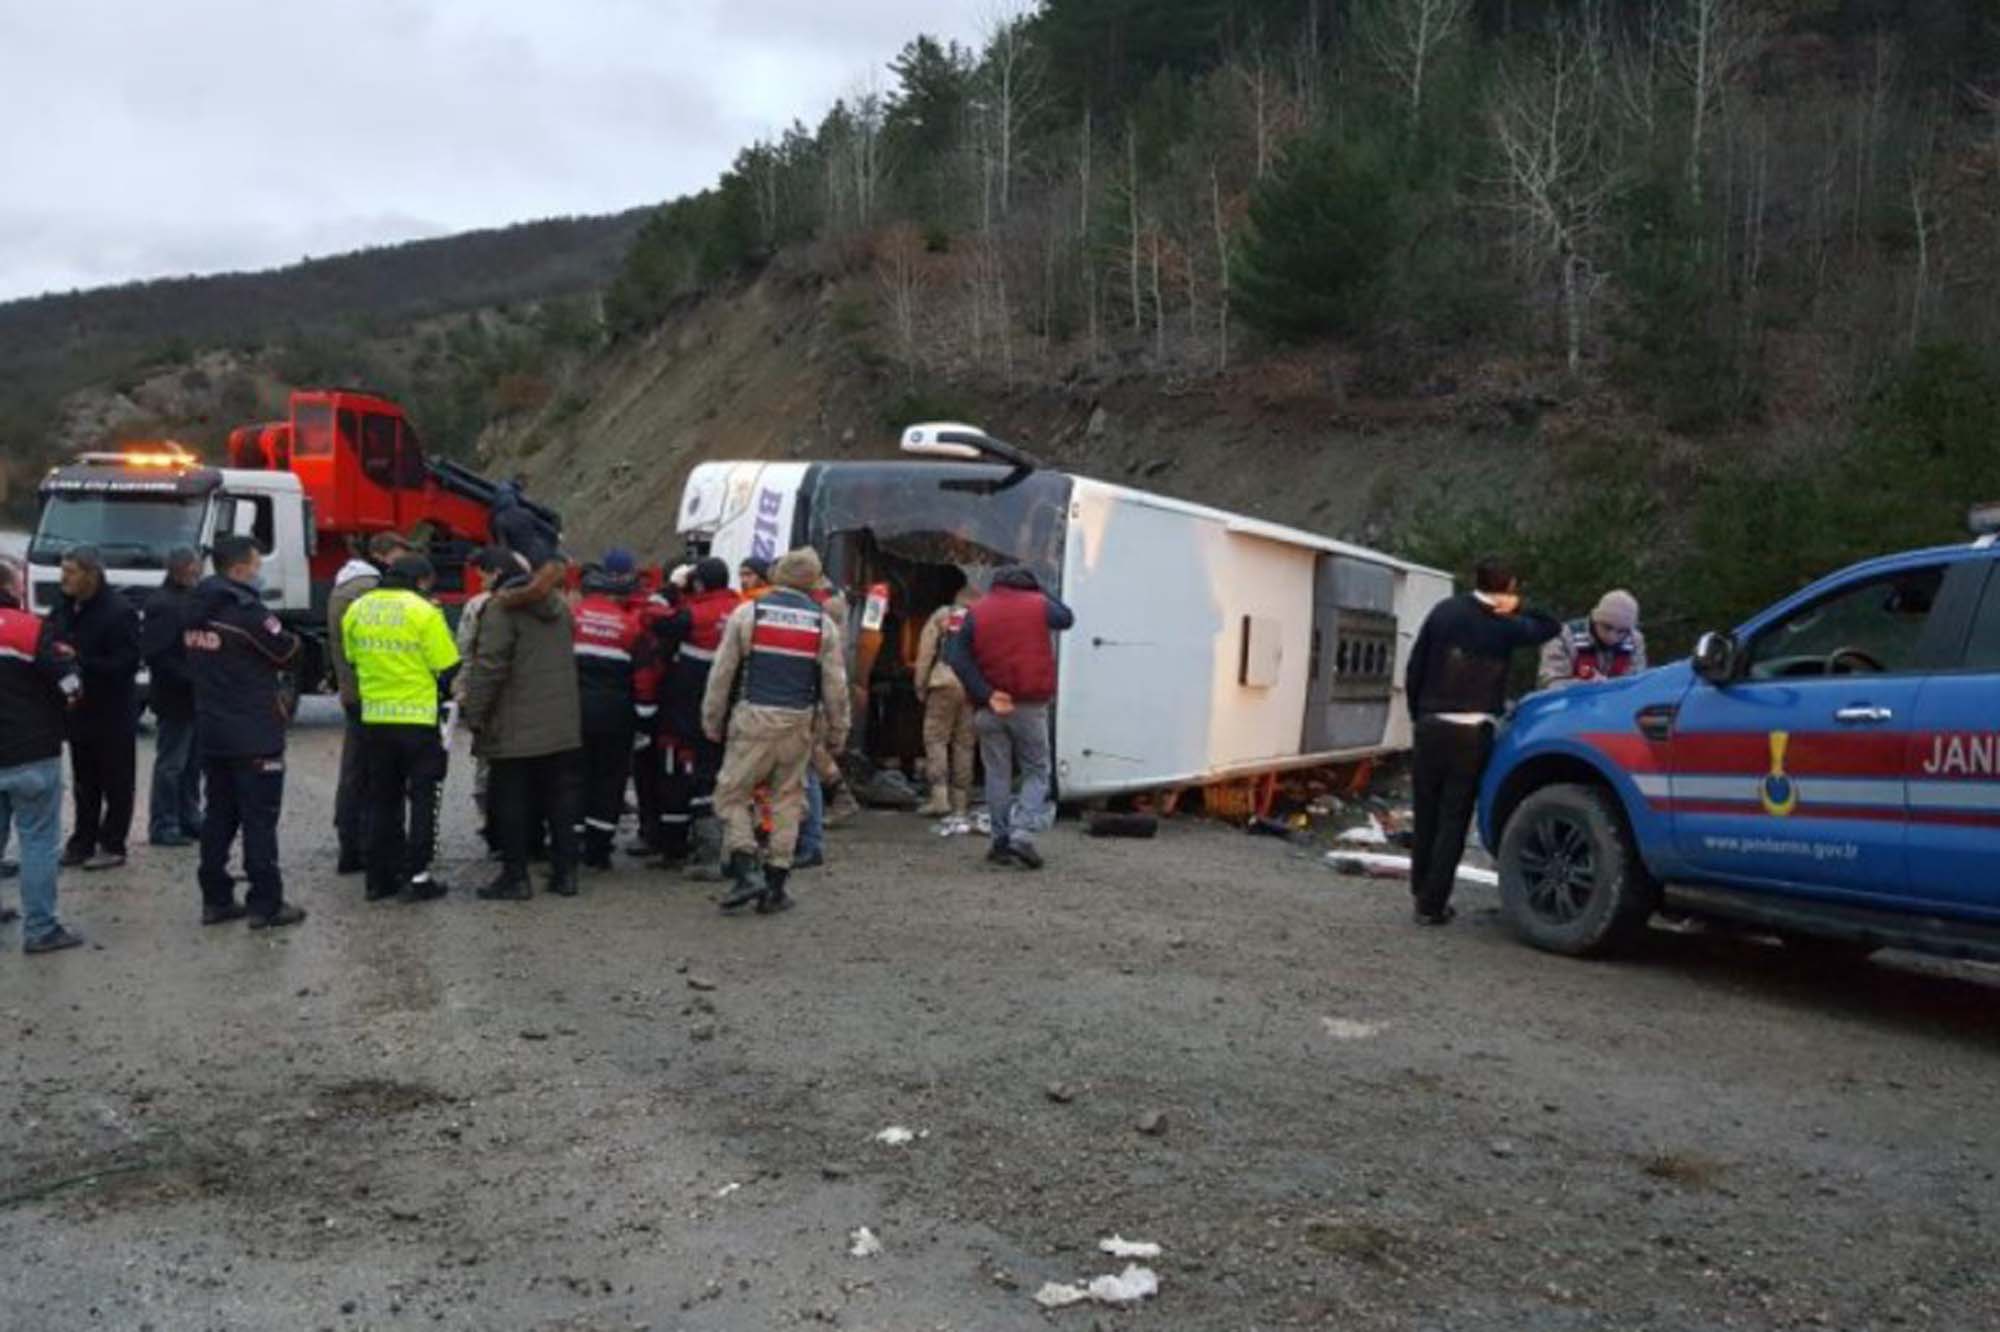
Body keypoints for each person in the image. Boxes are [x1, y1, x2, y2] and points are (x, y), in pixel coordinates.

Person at [1404, 558, 1561, 927]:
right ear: (1508, 587)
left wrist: (1418, 712)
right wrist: (1519, 607)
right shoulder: (1505, 625)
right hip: (1473, 730)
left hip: (1430, 722)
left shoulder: (1443, 612)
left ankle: (1418, 887)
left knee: (1425, 811)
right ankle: (1433, 903)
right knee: (1453, 818)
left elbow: (1416, 665)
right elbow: (1551, 626)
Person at [703, 547, 850, 915]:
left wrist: (712, 718)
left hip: (754, 718)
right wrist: (838, 731)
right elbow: (836, 686)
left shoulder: (750, 613)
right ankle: (776, 886)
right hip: (799, 723)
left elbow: (722, 673)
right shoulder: (823, 624)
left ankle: (744, 866)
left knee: (730, 795)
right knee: (788, 800)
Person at [184, 535, 306, 930]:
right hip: (254, 731)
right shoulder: (246, 612)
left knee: (218, 816)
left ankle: (215, 898)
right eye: (256, 564)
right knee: (258, 820)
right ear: (239, 569)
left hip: (213, 729)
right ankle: (265, 903)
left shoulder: (194, 608)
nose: (259, 571)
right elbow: (286, 650)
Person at [461, 546, 584, 901]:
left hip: (514, 725)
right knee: (560, 798)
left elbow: (489, 668)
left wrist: (476, 713)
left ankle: (515, 877)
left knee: (510, 800)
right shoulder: (559, 608)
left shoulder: (500, 610)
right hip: (560, 722)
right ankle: (566, 874)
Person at [345, 554, 461, 903]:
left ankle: (378, 879)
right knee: (422, 798)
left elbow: (351, 659)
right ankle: (418, 876)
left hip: (375, 720)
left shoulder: (358, 608)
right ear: (422, 580)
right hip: (416, 720)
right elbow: (447, 664)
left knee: (381, 799)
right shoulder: (424, 611)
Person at [945, 567, 1075, 870]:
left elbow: (957, 657)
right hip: (1028, 706)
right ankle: (1022, 833)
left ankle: (1000, 842)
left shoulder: (976, 611)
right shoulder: (1039, 604)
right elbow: (1067, 617)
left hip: (989, 708)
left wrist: (987, 693)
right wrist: (1042, 591)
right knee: (1036, 770)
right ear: (1030, 586)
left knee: (997, 774)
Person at [0, 560, 84, 953]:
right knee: (37, 843)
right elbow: (70, 683)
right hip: (32, 752)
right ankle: (40, 928)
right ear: (11, 589)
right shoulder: (30, 630)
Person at [48, 546, 140, 870]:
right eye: (63, 570)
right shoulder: (63, 608)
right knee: (84, 781)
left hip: (112, 711)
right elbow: (50, 640)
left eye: (71, 571)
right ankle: (82, 841)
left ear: (91, 574)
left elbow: (127, 662)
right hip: (77, 710)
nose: (64, 578)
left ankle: (113, 843)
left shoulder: (118, 611)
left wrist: (80, 661)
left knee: (116, 781)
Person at [328, 532, 414, 874]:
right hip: (372, 693)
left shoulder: (346, 585)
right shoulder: (367, 590)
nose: (399, 563)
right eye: (397, 555)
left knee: (355, 771)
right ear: (379, 553)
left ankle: (351, 841)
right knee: (369, 775)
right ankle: (364, 846)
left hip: (355, 691)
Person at [654, 558, 741, 874]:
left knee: (690, 772)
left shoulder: (692, 614)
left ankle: (691, 847)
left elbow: (654, 620)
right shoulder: (743, 609)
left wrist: (671, 589)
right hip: (736, 707)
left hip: (690, 708)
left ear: (699, 584)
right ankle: (733, 844)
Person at [572, 551, 657, 871]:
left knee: (573, 778)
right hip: (616, 715)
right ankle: (599, 850)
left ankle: (570, 843)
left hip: (574, 712)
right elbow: (644, 678)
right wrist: (645, 719)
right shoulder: (630, 627)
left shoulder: (573, 619)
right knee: (609, 781)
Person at [141, 546, 205, 847]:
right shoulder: (164, 605)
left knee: (192, 763)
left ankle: (188, 817)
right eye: (195, 566)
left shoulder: (185, 599)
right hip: (175, 697)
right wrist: (192, 677)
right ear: (184, 568)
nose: (198, 571)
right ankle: (164, 823)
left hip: (192, 697)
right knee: (172, 764)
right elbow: (157, 653)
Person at [913, 576, 978, 821]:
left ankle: (939, 797)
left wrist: (920, 684)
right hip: (972, 686)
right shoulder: (984, 618)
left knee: (936, 738)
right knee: (965, 743)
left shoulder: (943, 615)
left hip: (944, 682)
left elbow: (926, 650)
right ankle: (961, 802)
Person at [1538, 590, 1647, 690]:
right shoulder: (1563, 637)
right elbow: (1550, 683)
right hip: (1570, 704)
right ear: (1595, 619)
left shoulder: (1634, 640)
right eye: (1607, 627)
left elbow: (1635, 683)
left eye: (1622, 631)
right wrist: (1585, 684)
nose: (1612, 636)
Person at [489, 479, 562, 572]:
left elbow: (504, 550)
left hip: (530, 561)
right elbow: (547, 529)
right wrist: (556, 536)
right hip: (543, 551)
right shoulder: (525, 512)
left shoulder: (499, 521)